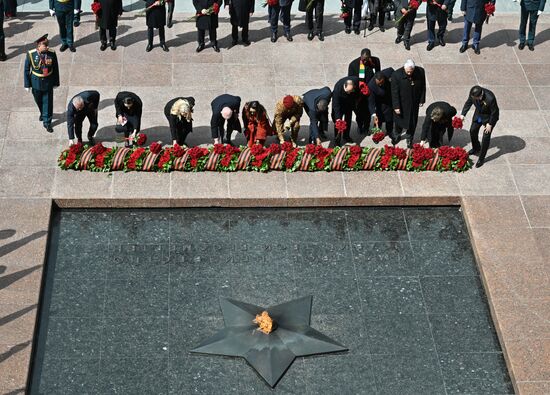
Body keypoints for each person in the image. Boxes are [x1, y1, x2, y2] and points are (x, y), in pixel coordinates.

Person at [23, 35, 59, 134]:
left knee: (48, 102)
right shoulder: (30, 54)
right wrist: (27, 84)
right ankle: (43, 113)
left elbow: (55, 68)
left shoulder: (51, 53)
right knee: (38, 100)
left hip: (48, 81)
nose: (47, 47)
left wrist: (56, 82)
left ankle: (47, 122)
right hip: (36, 81)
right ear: (39, 46)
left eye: (48, 45)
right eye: (45, 45)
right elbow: (27, 69)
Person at [459, 85, 499, 167]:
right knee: (473, 130)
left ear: (480, 95)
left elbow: (494, 112)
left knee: (485, 137)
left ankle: (481, 158)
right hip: (479, 115)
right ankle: (476, 148)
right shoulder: (473, 95)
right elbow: (468, 103)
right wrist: (463, 114)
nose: (473, 98)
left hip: (489, 117)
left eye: (475, 98)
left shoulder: (490, 98)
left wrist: (490, 124)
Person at [391, 59, 426, 148]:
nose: (409, 73)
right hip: (402, 104)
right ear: (404, 68)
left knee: (412, 122)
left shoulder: (420, 71)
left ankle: (410, 138)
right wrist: (396, 106)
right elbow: (394, 92)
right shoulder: (396, 75)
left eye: (411, 71)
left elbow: (423, 86)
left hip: (414, 102)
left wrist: (422, 99)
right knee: (399, 121)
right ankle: (397, 135)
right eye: (408, 72)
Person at [348, 48, 381, 134]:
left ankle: (366, 126)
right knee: (359, 112)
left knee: (368, 112)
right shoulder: (353, 65)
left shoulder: (375, 61)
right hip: (359, 93)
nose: (365, 62)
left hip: (370, 92)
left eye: (367, 60)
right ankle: (360, 125)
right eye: (363, 60)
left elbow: (378, 74)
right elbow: (350, 80)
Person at [332, 76, 360, 146]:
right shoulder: (337, 90)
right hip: (340, 105)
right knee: (338, 123)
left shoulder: (355, 80)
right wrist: (338, 119)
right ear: (345, 86)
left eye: (351, 91)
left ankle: (346, 136)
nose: (350, 92)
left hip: (349, 104)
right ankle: (337, 139)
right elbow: (336, 106)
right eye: (348, 91)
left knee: (348, 119)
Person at [367, 68, 394, 136]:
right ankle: (377, 133)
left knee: (389, 117)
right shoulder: (371, 86)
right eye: (378, 84)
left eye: (381, 83)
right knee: (379, 118)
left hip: (390, 98)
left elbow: (395, 75)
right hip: (379, 101)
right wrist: (373, 114)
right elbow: (371, 101)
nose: (380, 85)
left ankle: (389, 131)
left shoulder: (389, 72)